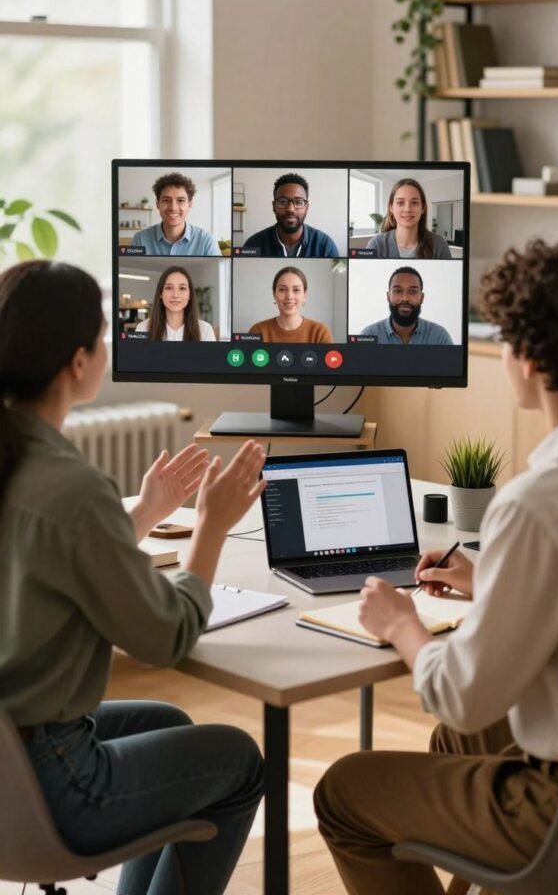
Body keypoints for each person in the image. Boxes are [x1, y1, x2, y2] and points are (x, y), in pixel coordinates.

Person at [314, 238, 558, 895]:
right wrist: (489, 581)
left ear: (524, 359)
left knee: (342, 795)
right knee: (452, 749)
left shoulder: (538, 502)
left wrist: (401, 623)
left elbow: (461, 697)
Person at [0, 260, 266, 895]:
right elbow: (166, 637)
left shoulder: (24, 468)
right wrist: (212, 526)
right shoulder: (70, 488)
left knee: (169, 722)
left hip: (12, 753)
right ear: (78, 362)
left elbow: (48, 562)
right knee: (241, 761)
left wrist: (145, 513)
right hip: (54, 780)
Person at [243, 172, 339, 256]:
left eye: (298, 202)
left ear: (307, 208)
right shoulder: (253, 244)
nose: (290, 209)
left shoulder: (325, 246)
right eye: (283, 202)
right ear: (274, 206)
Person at [132, 172, 221, 256]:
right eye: (166, 200)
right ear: (157, 204)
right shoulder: (140, 239)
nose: (173, 208)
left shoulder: (207, 241)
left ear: (189, 205)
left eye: (180, 200)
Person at [360, 266, 453, 344]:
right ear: (388, 297)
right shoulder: (368, 335)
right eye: (397, 291)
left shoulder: (440, 337)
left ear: (422, 297)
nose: (405, 298)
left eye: (413, 291)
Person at [366, 178, 452, 259]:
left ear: (423, 208)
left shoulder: (439, 245)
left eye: (414, 203)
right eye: (400, 202)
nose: (407, 209)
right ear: (391, 207)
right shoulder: (376, 245)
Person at [249, 266, 334, 343]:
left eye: (296, 290)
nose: (289, 296)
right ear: (274, 294)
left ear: (305, 295)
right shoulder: (258, 331)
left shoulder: (320, 332)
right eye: (282, 289)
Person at [134, 265, 216, 341]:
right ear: (160, 293)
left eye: (182, 288)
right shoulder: (143, 328)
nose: (175, 295)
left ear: (190, 295)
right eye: (169, 288)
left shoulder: (205, 330)